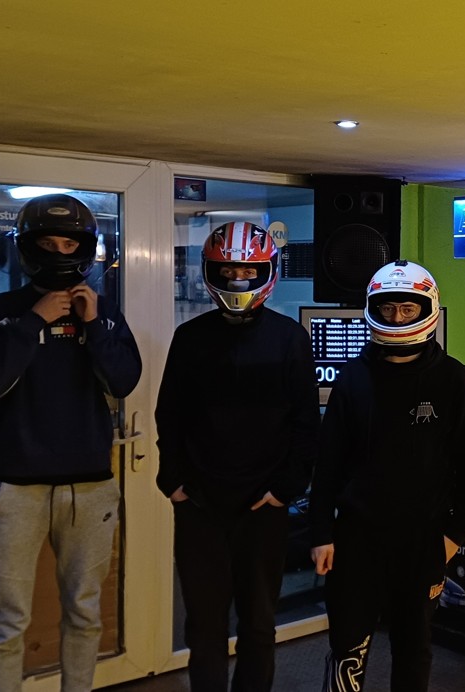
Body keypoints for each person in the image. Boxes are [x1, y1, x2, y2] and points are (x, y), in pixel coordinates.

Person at [0, 193, 142, 692]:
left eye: (69, 244)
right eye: (48, 244)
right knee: (7, 621)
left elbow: (123, 381)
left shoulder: (104, 313)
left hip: (90, 488)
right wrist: (34, 321)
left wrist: (93, 325)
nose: (60, 253)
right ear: (29, 248)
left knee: (84, 612)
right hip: (16, 489)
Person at [154, 221, 318, 692]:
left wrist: (284, 489)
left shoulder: (289, 338)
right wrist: (173, 482)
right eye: (228, 271)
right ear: (211, 272)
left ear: (266, 273)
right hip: (200, 505)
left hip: (262, 507)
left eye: (248, 271)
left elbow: (306, 423)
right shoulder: (190, 337)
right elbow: (170, 415)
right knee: (203, 628)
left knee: (259, 625)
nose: (238, 280)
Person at [310, 260, 465, 692]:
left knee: (413, 650)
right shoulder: (353, 377)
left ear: (427, 310)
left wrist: (453, 536)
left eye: (408, 309)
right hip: (356, 540)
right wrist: (320, 532)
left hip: (423, 542)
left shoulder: (452, 379)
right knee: (348, 647)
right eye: (388, 309)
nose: (397, 318)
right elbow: (328, 462)